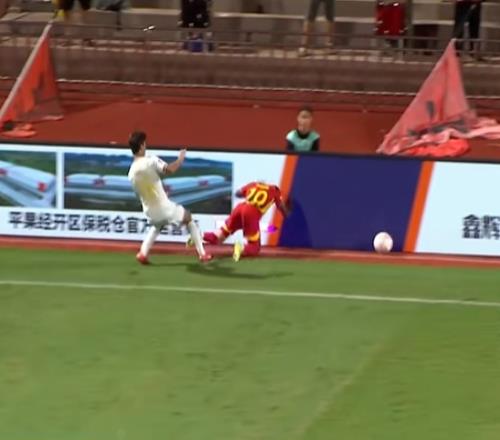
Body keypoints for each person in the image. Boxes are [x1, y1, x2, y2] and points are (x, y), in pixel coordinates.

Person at [127, 131, 212, 264]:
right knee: (188, 218)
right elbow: (170, 169)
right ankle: (202, 254)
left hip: (148, 210)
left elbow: (138, 193)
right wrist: (180, 158)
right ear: (142, 145)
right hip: (164, 207)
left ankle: (142, 253)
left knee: (157, 226)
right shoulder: (150, 160)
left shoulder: (131, 173)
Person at [199, 181, 290, 261]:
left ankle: (198, 236)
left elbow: (238, 193)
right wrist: (287, 215)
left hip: (239, 208)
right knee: (255, 247)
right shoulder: (275, 191)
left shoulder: (254, 184)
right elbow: (281, 206)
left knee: (219, 236)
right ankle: (241, 247)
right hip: (251, 213)